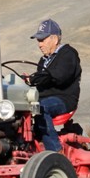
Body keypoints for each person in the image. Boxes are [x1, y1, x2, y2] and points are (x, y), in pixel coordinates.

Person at [26, 19, 82, 152]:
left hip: (63, 98)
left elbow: (60, 76)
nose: (39, 44)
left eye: (42, 40)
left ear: (55, 39)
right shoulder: (44, 60)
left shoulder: (68, 54)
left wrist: (34, 78)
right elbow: (42, 79)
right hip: (43, 97)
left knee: (40, 108)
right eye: (38, 41)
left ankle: (56, 151)